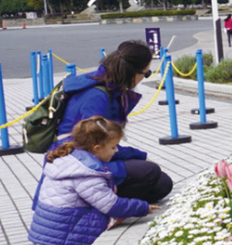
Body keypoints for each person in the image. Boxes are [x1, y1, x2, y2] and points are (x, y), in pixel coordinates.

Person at [28, 117, 158, 245]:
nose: (116, 151)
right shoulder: (87, 172)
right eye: (113, 147)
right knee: (110, 216)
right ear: (96, 148)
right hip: (62, 221)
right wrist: (142, 207)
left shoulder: (70, 156)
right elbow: (110, 205)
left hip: (51, 218)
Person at [55, 40, 174, 203]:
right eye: (146, 73)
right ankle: (101, 208)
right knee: (150, 171)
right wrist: (141, 156)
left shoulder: (106, 86)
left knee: (162, 184)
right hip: (76, 162)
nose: (144, 78)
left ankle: (107, 202)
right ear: (133, 72)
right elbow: (97, 143)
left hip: (88, 155)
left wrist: (138, 156)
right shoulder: (96, 97)